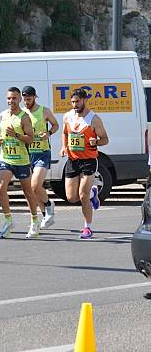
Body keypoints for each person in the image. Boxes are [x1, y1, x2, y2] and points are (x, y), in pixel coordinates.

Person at [59, 88, 109, 239]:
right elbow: (64, 133)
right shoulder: (67, 116)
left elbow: (105, 139)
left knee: (82, 195)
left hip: (88, 160)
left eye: (77, 102)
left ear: (85, 100)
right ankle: (94, 192)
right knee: (71, 198)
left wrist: (97, 141)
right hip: (73, 160)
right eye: (73, 102)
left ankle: (87, 227)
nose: (75, 105)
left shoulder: (94, 119)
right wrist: (63, 147)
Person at [0, 87, 39, 239]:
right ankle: (8, 220)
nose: (11, 101)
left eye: (14, 98)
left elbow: (30, 139)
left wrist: (16, 134)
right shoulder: (3, 115)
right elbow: (2, 135)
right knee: (1, 188)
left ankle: (34, 220)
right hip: (6, 157)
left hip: (21, 159)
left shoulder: (24, 117)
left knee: (27, 192)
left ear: (19, 99)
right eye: (9, 98)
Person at [21, 86, 59, 229]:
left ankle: (49, 204)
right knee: (32, 190)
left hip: (42, 152)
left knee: (35, 185)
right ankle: (45, 214)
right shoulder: (22, 113)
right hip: (26, 154)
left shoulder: (44, 111)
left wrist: (49, 133)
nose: (26, 102)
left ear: (35, 97)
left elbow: (56, 125)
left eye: (29, 99)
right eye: (24, 100)